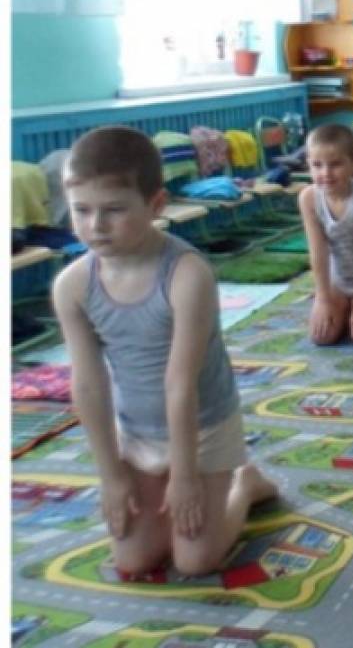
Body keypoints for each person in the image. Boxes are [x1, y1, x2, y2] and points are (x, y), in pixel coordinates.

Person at [52, 126, 278, 577]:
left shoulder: (187, 275)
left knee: (195, 560)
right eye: (82, 210)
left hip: (204, 428)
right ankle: (177, 487)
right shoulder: (73, 285)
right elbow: (89, 385)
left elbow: (180, 383)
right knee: (133, 559)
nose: (96, 226)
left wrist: (186, 475)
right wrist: (111, 475)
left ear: (156, 205)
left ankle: (244, 484)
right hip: (137, 432)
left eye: (114, 210)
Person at [299, 124, 353, 345]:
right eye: (317, 165)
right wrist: (322, 298)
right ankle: (347, 308)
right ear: (308, 164)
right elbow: (318, 253)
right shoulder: (308, 198)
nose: (326, 173)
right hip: (337, 281)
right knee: (321, 337)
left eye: (335, 164)